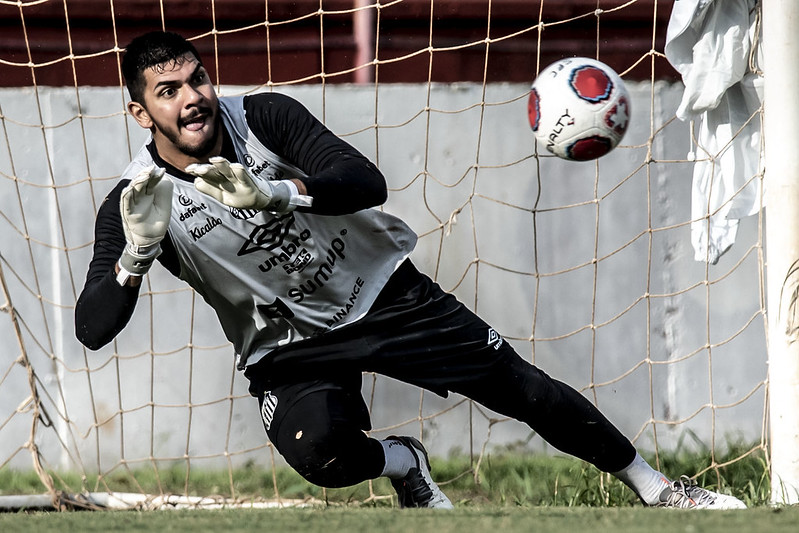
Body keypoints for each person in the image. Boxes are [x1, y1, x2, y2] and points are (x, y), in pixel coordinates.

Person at [75, 31, 746, 510]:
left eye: (196, 78)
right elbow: (92, 327)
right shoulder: (139, 200)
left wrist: (278, 191)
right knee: (322, 453)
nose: (192, 97)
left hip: (378, 292)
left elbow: (363, 181)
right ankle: (403, 462)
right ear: (141, 111)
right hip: (287, 346)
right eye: (168, 90)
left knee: (522, 389)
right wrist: (134, 257)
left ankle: (657, 486)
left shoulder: (261, 117)